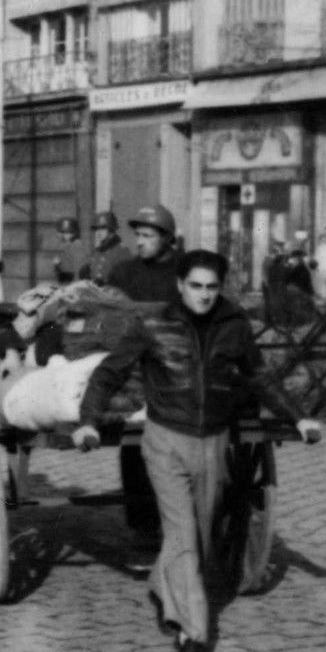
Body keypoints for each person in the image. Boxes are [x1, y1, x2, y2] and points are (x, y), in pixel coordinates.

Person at [73, 249, 321, 652]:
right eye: (196, 287)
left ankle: (160, 583)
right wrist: (88, 421)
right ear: (180, 286)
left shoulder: (234, 327)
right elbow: (109, 374)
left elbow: (259, 377)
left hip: (214, 442)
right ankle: (194, 635)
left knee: (200, 535)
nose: (204, 296)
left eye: (211, 287)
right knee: (184, 533)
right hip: (166, 439)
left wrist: (299, 418)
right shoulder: (151, 324)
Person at [106, 204, 182, 545]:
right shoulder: (123, 273)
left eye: (148, 236)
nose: (140, 241)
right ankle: (143, 525)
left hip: (176, 363)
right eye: (137, 235)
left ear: (168, 239)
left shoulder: (184, 271)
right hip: (135, 367)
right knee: (134, 447)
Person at [85, 211, 135, 285]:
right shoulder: (96, 252)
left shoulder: (123, 252)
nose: (98, 232)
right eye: (97, 229)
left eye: (102, 229)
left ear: (111, 230)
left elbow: (127, 282)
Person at [52, 217, 89, 284]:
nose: (63, 236)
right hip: (64, 283)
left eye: (67, 232)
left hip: (73, 284)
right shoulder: (65, 246)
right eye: (61, 232)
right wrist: (57, 266)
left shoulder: (77, 245)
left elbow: (79, 270)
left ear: (74, 233)